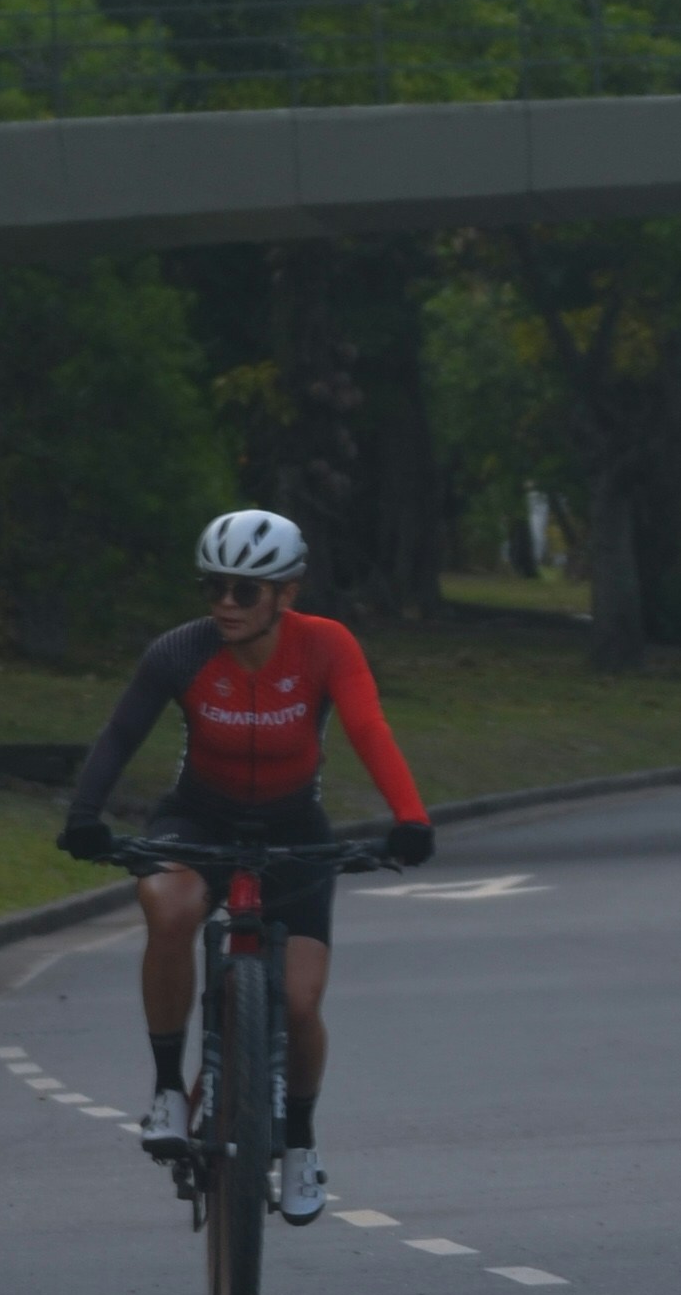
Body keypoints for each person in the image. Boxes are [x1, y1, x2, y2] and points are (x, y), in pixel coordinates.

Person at [59, 509, 435, 1227]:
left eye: (242, 588)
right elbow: (119, 733)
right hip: (197, 817)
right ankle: (170, 1087)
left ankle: (298, 1141)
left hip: (294, 827)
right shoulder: (181, 651)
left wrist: (410, 819)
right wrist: (85, 815)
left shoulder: (326, 647)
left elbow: (367, 728)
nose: (224, 603)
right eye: (212, 587)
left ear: (284, 593)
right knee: (167, 907)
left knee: (297, 1003)